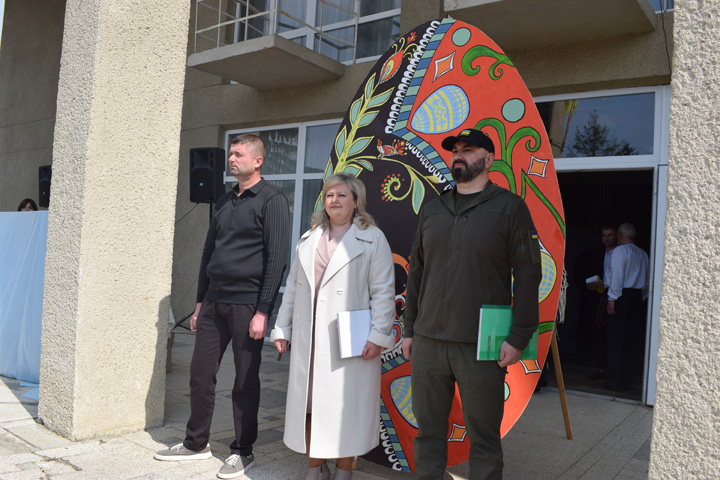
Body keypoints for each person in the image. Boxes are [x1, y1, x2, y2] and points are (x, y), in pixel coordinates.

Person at [401, 128, 541, 480]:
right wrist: (409, 329)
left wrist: (519, 335)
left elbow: (528, 273)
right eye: (455, 151)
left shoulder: (510, 207)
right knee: (428, 432)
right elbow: (417, 272)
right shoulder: (433, 208)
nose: (459, 155)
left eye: (468, 149)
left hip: (481, 344)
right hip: (428, 341)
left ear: (489, 159)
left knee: (484, 436)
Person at [154, 134, 290, 479]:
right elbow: (207, 254)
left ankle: (243, 451)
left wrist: (264, 310)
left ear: (257, 161)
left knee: (245, 381)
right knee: (200, 375)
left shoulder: (272, 200)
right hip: (214, 303)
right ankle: (195, 442)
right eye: (230, 154)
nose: (231, 159)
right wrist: (200, 302)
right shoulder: (223, 201)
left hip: (247, 306)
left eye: (238, 154)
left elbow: (277, 259)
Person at [270, 173, 396, 480]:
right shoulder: (308, 238)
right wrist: (282, 328)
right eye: (329, 195)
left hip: (350, 340)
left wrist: (378, 336)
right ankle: (315, 468)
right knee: (310, 406)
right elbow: (293, 287)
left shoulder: (373, 238)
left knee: (344, 410)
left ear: (355, 201)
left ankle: (343, 471)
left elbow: (383, 292)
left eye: (341, 195)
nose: (334, 200)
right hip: (310, 340)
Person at [605, 222, 649, 391]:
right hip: (637, 297)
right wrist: (641, 298)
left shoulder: (620, 251)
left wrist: (612, 299)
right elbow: (647, 282)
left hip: (622, 297)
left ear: (620, 235)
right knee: (631, 340)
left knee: (615, 339)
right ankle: (627, 381)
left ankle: (613, 381)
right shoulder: (643, 254)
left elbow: (617, 277)